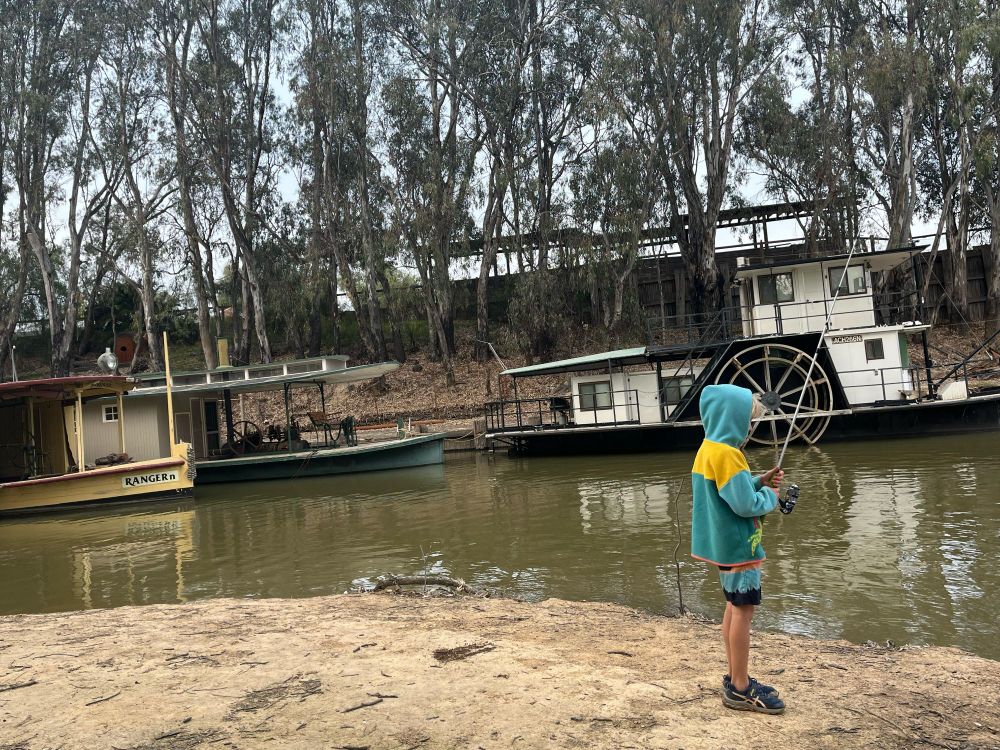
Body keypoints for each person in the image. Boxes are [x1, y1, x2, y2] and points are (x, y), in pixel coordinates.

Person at [691, 384, 786, 715]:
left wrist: (759, 479)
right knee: (744, 611)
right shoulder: (729, 455)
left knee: (733, 607)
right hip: (738, 548)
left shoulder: (709, 449)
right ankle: (741, 689)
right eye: (747, 421)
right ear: (732, 418)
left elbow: (729, 490)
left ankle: (735, 675)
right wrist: (772, 497)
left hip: (723, 548)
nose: (748, 429)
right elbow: (744, 505)